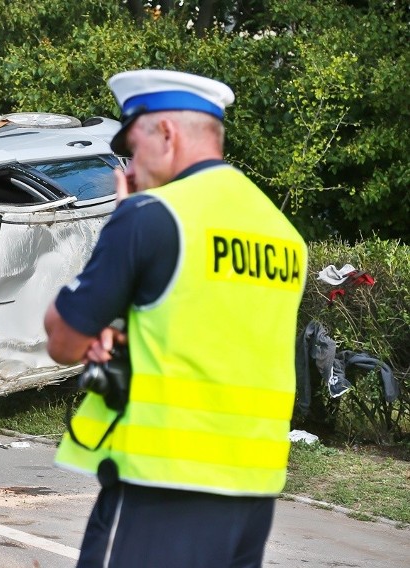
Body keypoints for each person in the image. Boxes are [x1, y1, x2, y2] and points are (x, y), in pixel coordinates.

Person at [44, 69, 308, 567]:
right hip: (252, 489)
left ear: (165, 133)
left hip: (160, 485)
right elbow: (203, 325)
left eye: (132, 145)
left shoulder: (151, 214)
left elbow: (63, 338)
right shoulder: (282, 232)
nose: (129, 164)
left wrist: (120, 226)